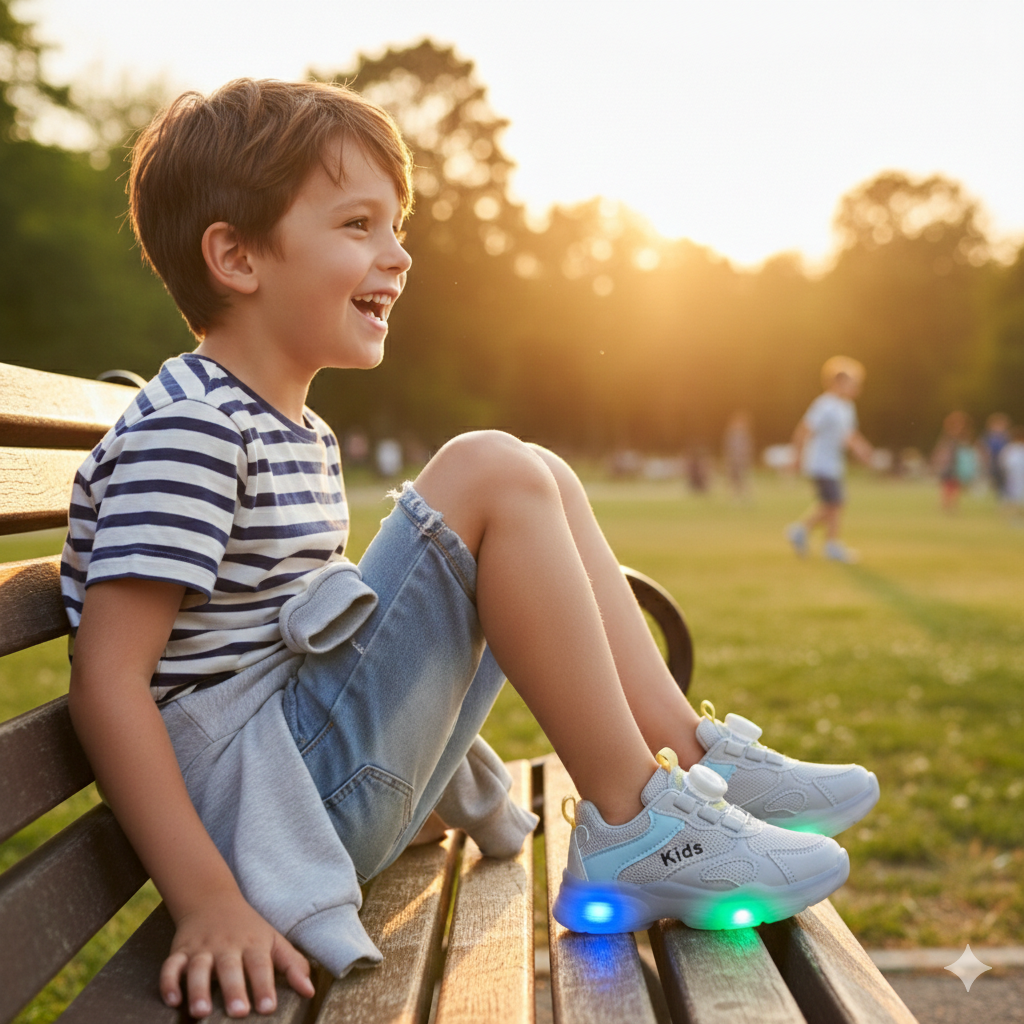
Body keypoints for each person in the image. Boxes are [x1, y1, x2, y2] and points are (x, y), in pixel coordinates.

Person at [61, 80, 879, 1020]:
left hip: (309, 792)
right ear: (236, 256)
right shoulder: (193, 431)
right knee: (491, 467)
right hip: (274, 825)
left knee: (537, 470)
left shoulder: (283, 426)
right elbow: (109, 681)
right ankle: (633, 821)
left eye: (395, 225)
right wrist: (208, 904)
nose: (397, 255)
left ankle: (686, 755)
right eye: (359, 224)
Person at [786, 357, 874, 562]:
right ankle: (828, 543)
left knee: (831, 504)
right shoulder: (824, 405)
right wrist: (796, 457)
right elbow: (804, 430)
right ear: (839, 383)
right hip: (819, 462)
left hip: (833, 464)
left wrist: (864, 450)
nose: (856, 388)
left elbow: (849, 435)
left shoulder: (846, 407)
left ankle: (802, 531)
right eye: (853, 383)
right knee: (836, 502)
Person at [931, 411, 977, 514]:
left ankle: (951, 506)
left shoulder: (961, 436)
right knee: (948, 485)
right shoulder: (949, 436)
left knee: (954, 485)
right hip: (949, 464)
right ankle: (946, 506)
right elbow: (941, 449)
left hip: (956, 465)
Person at [722, 410, 754, 499]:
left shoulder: (744, 434)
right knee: (733, 479)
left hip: (742, 460)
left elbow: (748, 447)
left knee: (743, 478)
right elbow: (728, 447)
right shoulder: (731, 434)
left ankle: (746, 496)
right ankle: (735, 496)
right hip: (733, 460)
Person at [981, 412, 1011, 499]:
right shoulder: (989, 437)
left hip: (1004, 462)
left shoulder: (1006, 437)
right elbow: (985, 450)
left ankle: (1003, 498)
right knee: (995, 482)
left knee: (1003, 482)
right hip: (994, 463)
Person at [998, 425, 1024, 522]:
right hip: (1013, 477)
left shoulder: (1010, 449)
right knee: (1013, 497)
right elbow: (1004, 463)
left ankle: (1015, 516)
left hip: (1016, 476)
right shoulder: (1011, 449)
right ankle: (1011, 517)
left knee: (1016, 497)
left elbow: (1003, 462)